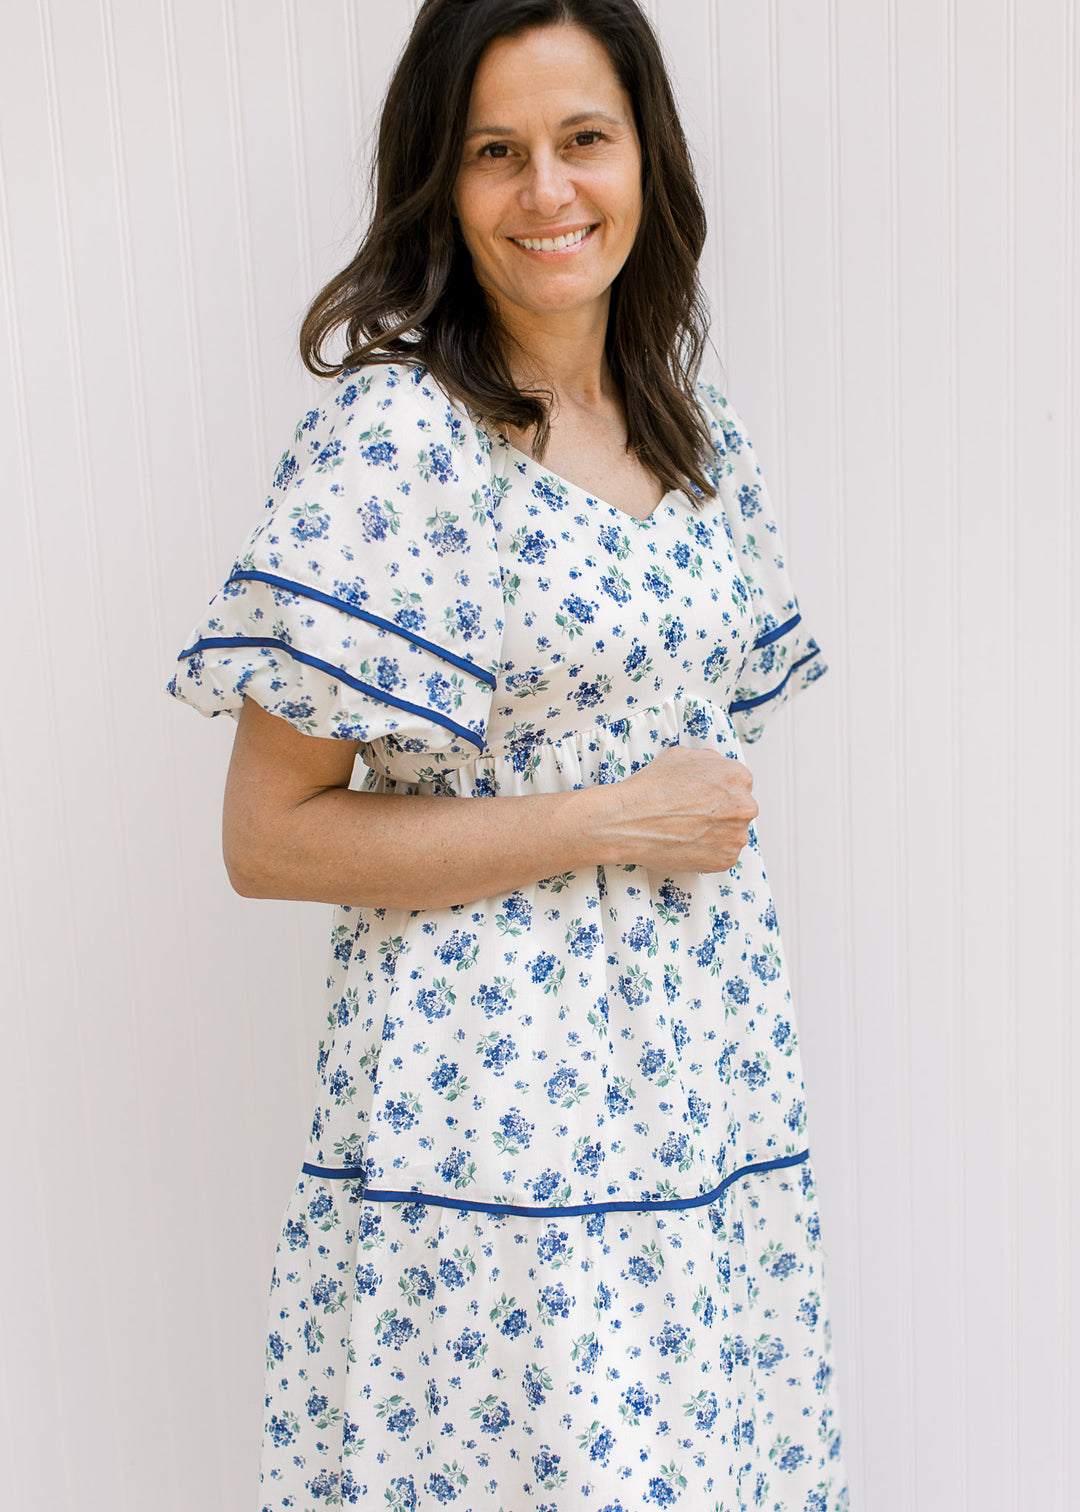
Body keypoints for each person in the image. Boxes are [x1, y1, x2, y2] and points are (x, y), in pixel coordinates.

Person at [169, 1, 848, 1506]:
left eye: (583, 140)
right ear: (442, 181)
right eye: (497, 153)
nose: (549, 193)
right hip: (490, 1115)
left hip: (704, 1093)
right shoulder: (399, 442)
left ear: (645, 161)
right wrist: (610, 817)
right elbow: (270, 837)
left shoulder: (697, 431)